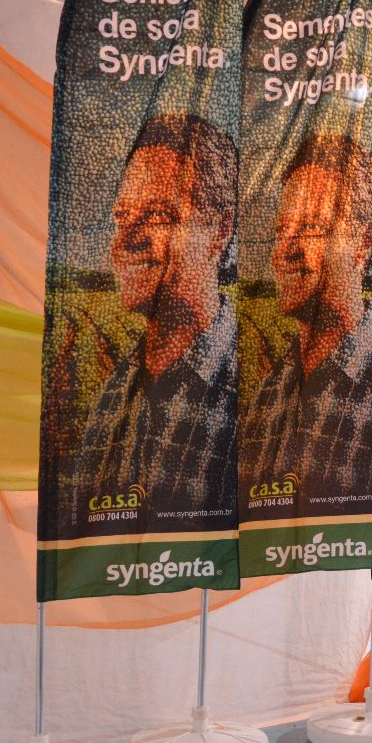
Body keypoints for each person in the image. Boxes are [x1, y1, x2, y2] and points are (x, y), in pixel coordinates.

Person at [68, 113, 237, 530]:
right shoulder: (113, 393)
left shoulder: (246, 386)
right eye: (122, 216)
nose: (126, 240)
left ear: (219, 230)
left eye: (160, 216)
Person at [239, 133, 372, 512]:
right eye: (280, 232)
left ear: (363, 242)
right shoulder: (270, 390)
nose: (283, 252)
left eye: (310, 228)